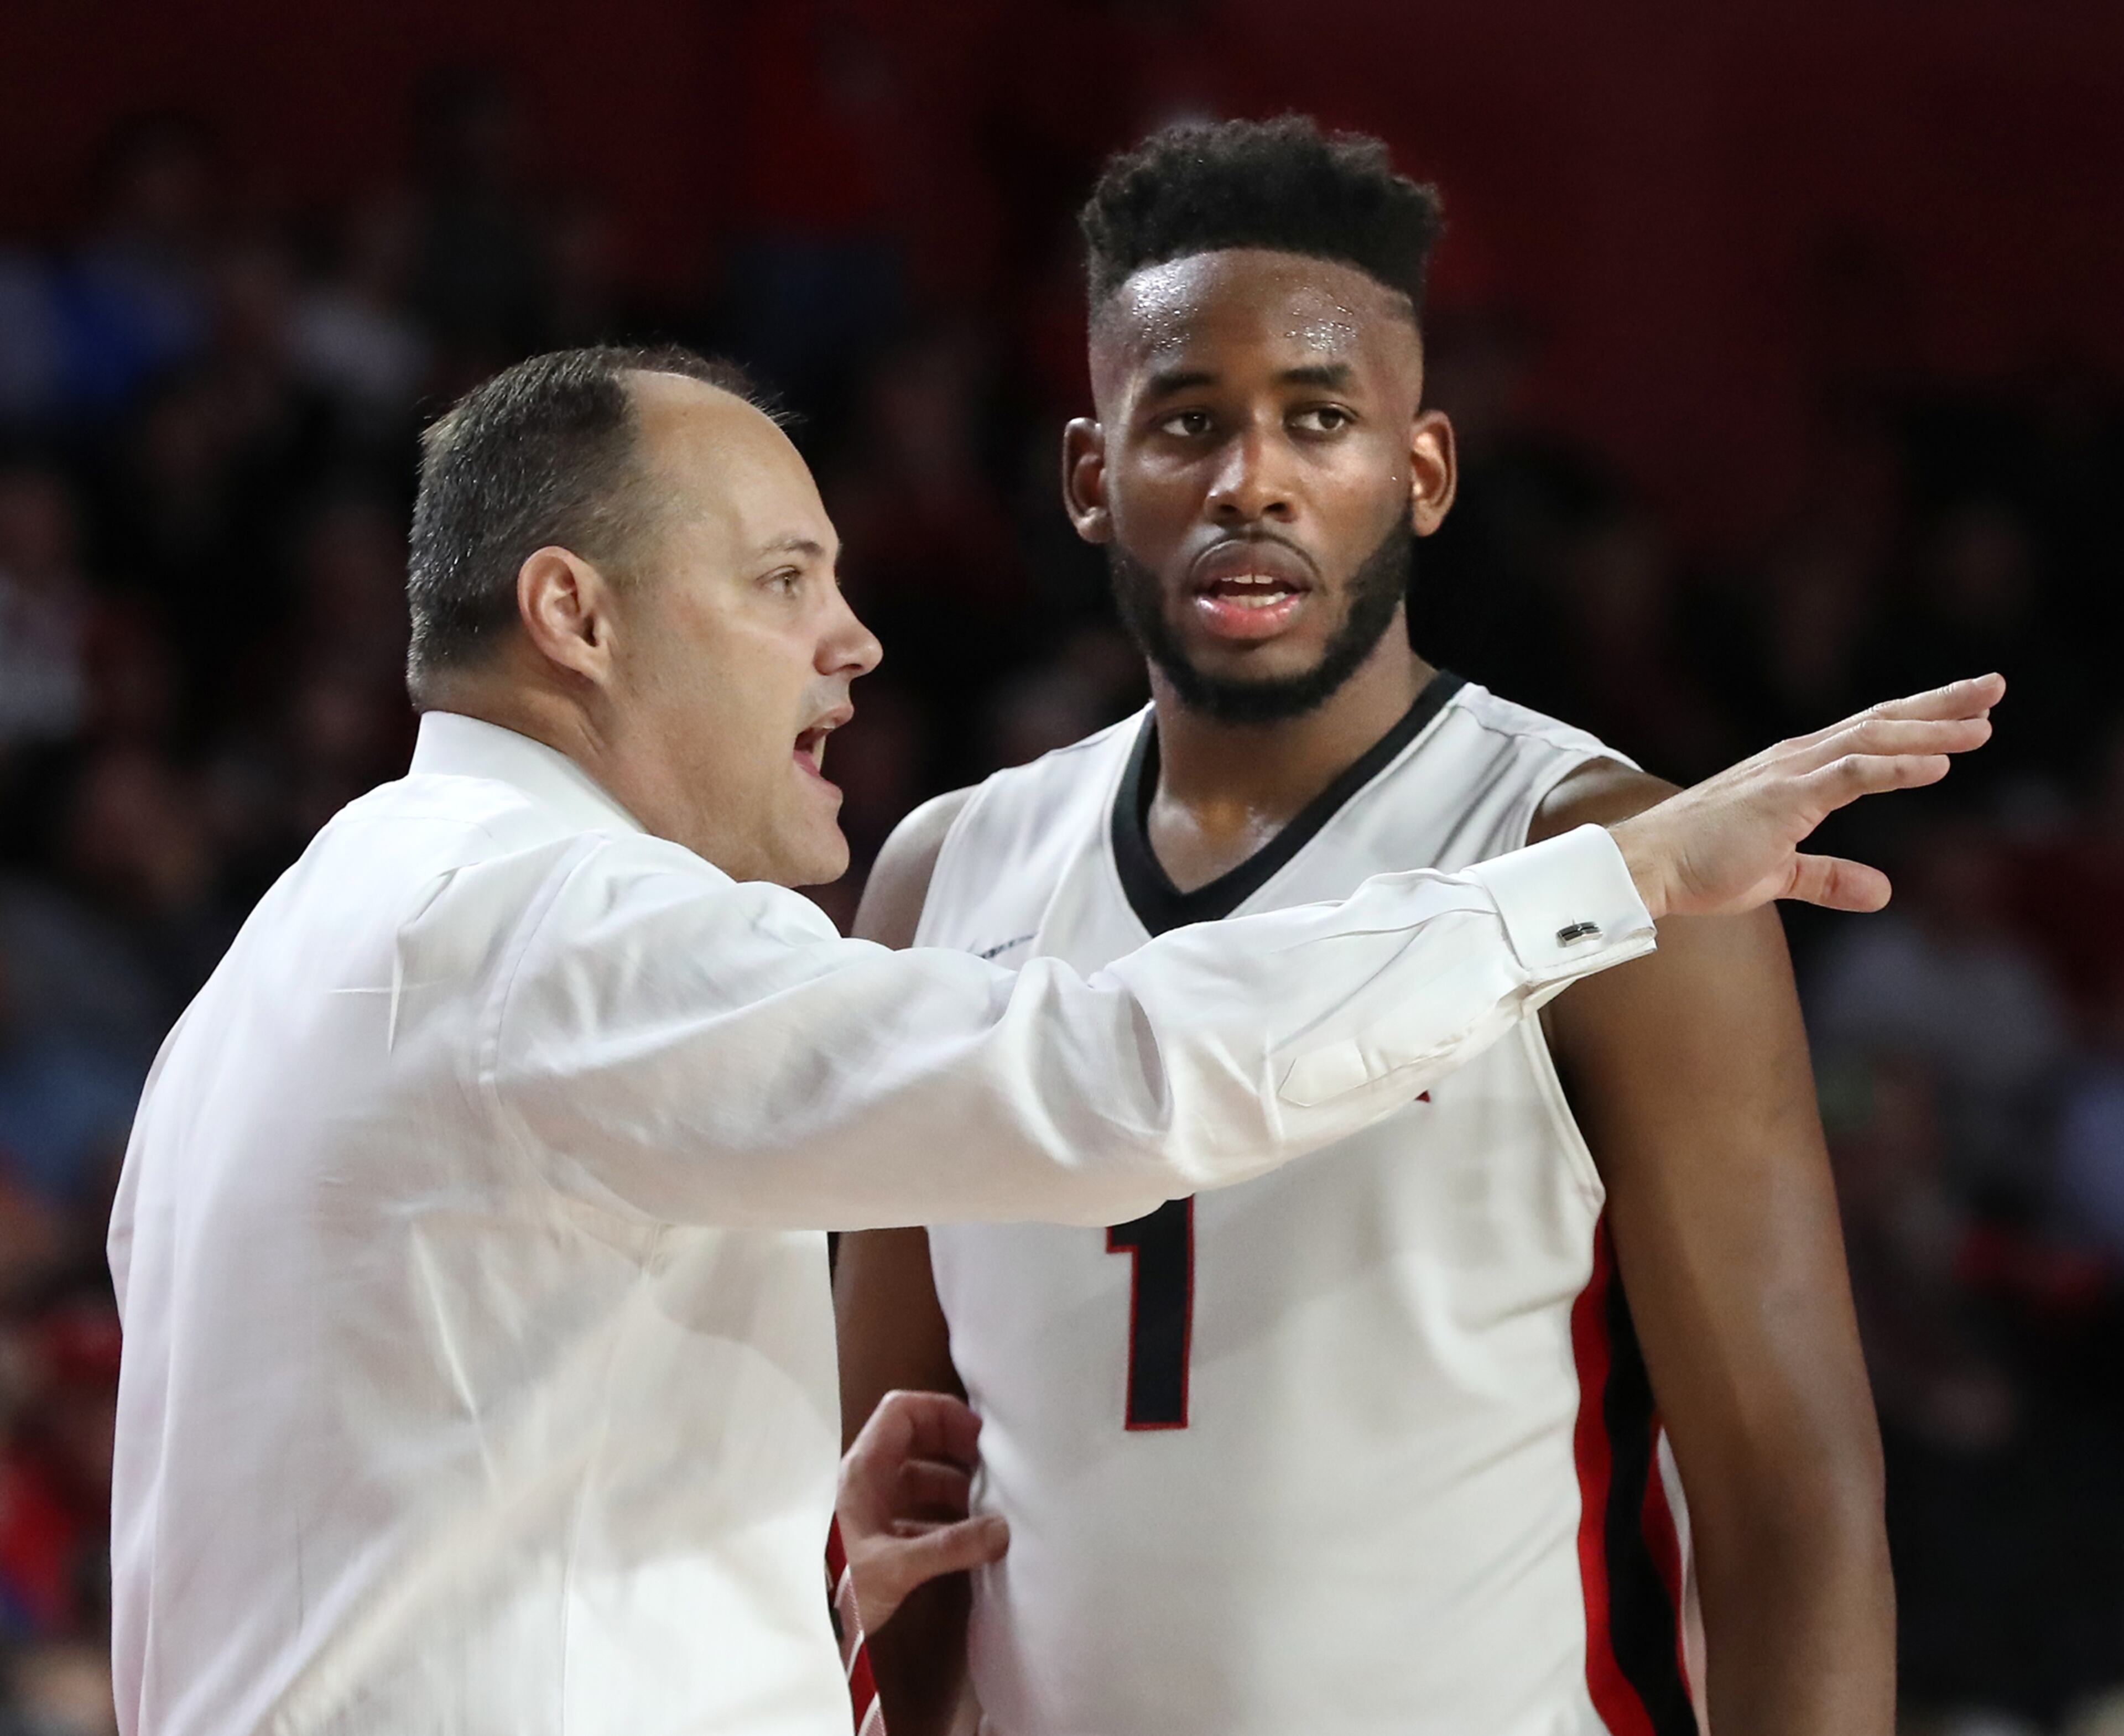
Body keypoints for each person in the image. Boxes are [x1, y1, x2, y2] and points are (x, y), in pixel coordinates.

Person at [107, 341, 1990, 1736]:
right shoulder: (560, 925)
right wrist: (1605, 879)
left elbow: (404, 1507)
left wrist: (779, 1553)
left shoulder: (299, 950)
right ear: (573, 614)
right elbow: (1106, 1074)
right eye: (780, 581)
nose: (850, 642)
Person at [833, 118, 1962, 1736]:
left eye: (1317, 419)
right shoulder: (942, 877)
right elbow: (900, 1477)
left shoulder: (1622, 859)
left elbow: (1792, 1502)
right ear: (1094, 476)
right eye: (1187, 422)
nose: (1253, 479)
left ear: (1419, 470)